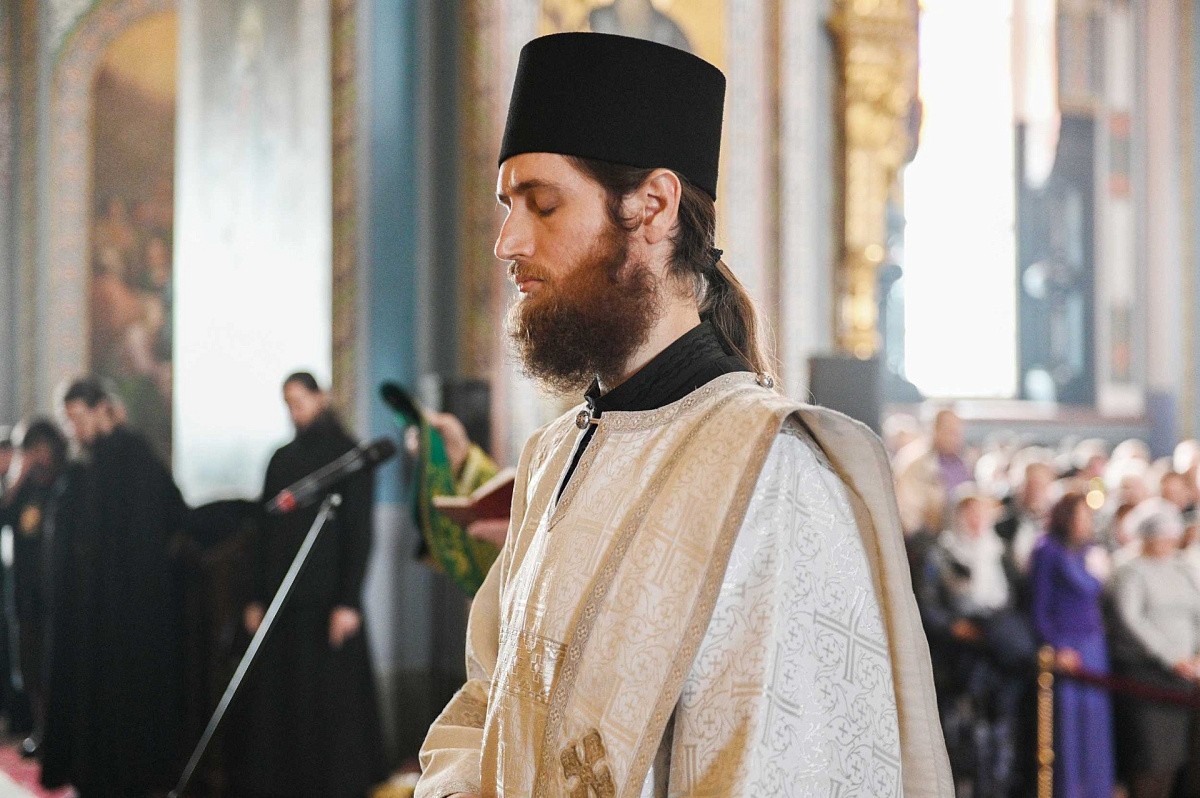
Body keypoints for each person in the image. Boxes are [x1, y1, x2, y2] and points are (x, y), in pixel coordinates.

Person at [416, 33, 950, 797]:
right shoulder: (552, 457)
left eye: (543, 203)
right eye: (509, 207)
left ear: (655, 206)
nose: (509, 243)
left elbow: (784, 773)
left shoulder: (772, 472)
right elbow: (488, 702)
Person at [226, 372, 387, 798]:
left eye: (300, 401)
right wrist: (255, 597)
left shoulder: (350, 456)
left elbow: (359, 533)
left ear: (321, 398)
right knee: (283, 705)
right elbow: (263, 533)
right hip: (284, 602)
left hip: (329, 604)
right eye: (288, 403)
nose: (294, 411)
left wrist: (348, 602)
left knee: (330, 706)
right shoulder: (281, 460)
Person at [40, 378, 188, 796]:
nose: (73, 430)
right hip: (91, 609)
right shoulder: (85, 468)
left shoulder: (135, 459)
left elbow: (167, 520)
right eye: (68, 421)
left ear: (102, 409)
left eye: (77, 418)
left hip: (127, 611)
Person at [920, 489, 1034, 797]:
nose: (975, 520)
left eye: (979, 513)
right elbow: (930, 606)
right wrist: (954, 627)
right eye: (968, 513)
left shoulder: (999, 552)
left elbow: (1017, 596)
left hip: (999, 654)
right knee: (965, 734)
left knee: (1001, 729)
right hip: (961, 659)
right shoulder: (941, 554)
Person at [1110, 499, 1200, 798]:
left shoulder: (1182, 568)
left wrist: (1195, 653)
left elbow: (1196, 610)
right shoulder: (1129, 570)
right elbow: (1131, 620)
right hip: (1148, 676)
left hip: (1186, 677)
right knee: (1152, 761)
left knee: (1180, 761)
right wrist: (1172, 657)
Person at [1029, 492, 1115, 798]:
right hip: (1066, 645)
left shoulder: (1090, 552)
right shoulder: (1047, 551)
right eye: (1082, 516)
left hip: (1093, 645)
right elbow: (1039, 607)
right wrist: (1054, 646)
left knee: (1095, 723)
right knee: (1068, 725)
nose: (1087, 522)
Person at [0, 419, 68, 758]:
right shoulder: (23, 489)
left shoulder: (64, 485)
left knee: (56, 668)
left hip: (57, 596)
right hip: (26, 596)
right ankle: (41, 732)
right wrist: (17, 476)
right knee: (30, 669)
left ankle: (60, 735)